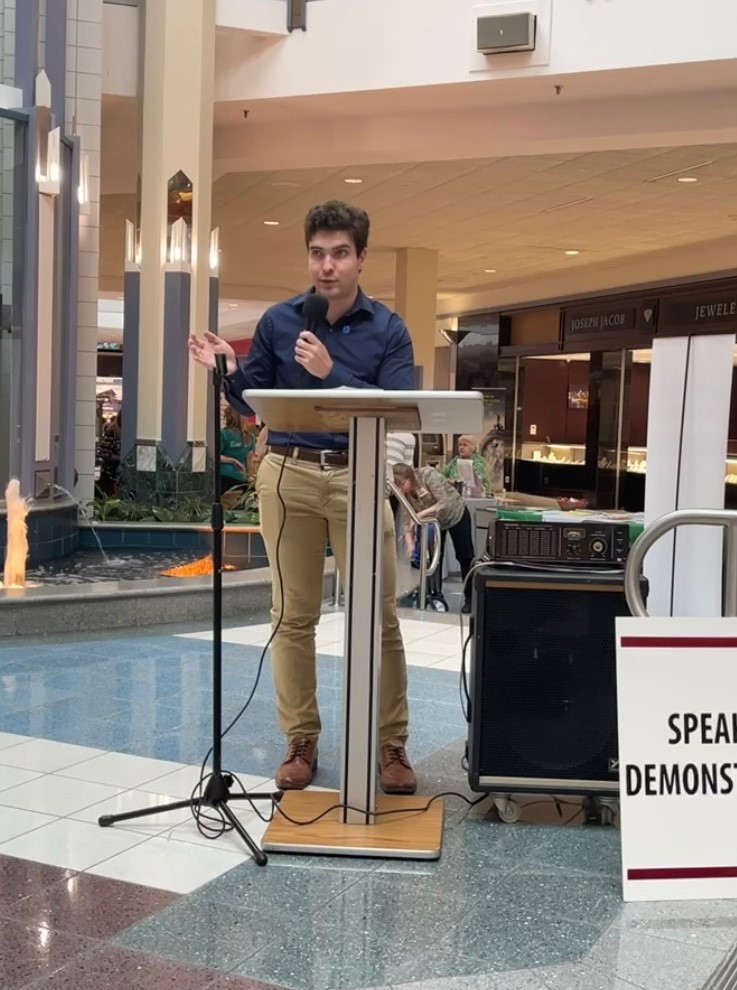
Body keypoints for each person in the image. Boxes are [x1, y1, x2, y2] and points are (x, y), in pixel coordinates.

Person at [188, 200, 417, 794]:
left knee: (379, 616)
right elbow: (249, 400)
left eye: (341, 253)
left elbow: (394, 410)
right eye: (318, 253)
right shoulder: (280, 320)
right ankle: (301, 738)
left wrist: (330, 372)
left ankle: (391, 746)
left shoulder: (388, 329)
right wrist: (225, 369)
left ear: (361, 258)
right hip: (287, 473)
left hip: (359, 474)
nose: (328, 265)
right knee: (292, 619)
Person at [392, 462, 475, 613]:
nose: (399, 488)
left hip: (456, 514)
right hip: (434, 523)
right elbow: (406, 521)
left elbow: (444, 502)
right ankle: (435, 595)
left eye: (401, 484)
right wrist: (410, 547)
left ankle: (471, 598)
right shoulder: (404, 494)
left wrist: (419, 515)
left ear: (408, 479)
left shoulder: (429, 475)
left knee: (465, 556)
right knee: (433, 560)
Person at [220, 406, 253, 495]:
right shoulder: (250, 437)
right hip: (240, 478)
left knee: (223, 503)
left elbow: (216, 456)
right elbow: (249, 461)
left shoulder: (224, 433)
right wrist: (250, 478)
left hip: (223, 475)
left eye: (225, 416)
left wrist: (231, 460)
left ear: (230, 417)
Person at [97, 412, 122, 497]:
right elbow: (105, 454)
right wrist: (121, 458)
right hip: (110, 477)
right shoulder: (112, 431)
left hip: (117, 476)